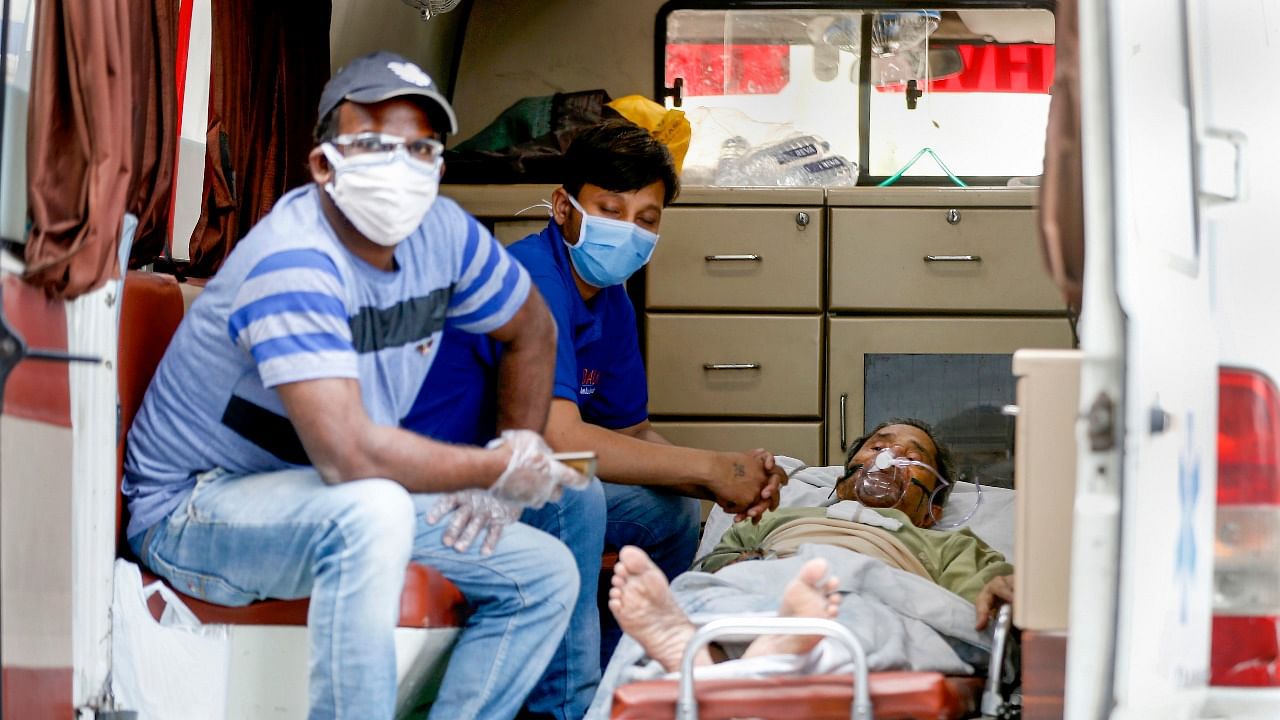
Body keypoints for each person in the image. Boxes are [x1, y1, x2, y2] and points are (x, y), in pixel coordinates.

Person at [122, 51, 586, 720]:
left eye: (421, 148)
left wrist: (511, 451)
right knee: (374, 508)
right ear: (323, 164)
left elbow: (532, 330)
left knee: (543, 576)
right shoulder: (294, 257)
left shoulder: (446, 235)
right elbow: (350, 456)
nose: (400, 165)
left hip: (326, 493)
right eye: (373, 144)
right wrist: (497, 467)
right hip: (194, 507)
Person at [402, 120, 787, 718]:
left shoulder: (607, 299)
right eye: (610, 209)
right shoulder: (531, 278)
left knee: (669, 513)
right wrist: (711, 465)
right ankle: (567, 705)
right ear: (563, 207)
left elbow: (630, 433)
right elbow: (558, 439)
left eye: (647, 219)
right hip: (438, 481)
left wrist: (718, 483)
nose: (628, 231)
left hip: (510, 481)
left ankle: (623, 681)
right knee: (573, 492)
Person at [607, 418, 1017, 676]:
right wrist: (740, 567)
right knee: (707, 602)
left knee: (851, 616)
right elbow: (717, 566)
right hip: (770, 575)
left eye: (912, 458)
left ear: (932, 509)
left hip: (875, 587)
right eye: (877, 447)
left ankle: (716, 661)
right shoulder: (775, 517)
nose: (889, 457)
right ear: (842, 483)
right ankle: (752, 652)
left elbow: (981, 604)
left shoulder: (946, 544)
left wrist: (1004, 591)